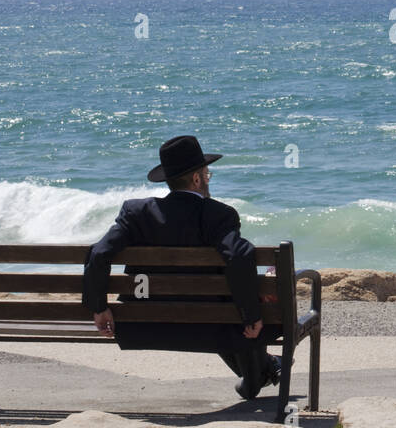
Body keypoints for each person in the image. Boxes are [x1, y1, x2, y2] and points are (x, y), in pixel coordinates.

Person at [81, 135, 283, 400]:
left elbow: (98, 253)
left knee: (226, 305)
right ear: (197, 179)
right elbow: (238, 256)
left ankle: (261, 373)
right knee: (238, 307)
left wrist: (99, 307)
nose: (208, 179)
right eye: (207, 174)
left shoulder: (137, 214)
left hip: (144, 325)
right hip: (214, 324)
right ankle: (261, 372)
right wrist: (250, 315)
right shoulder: (218, 215)